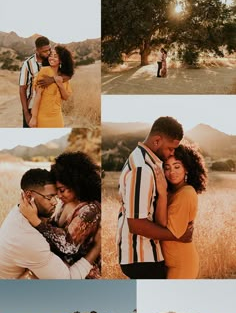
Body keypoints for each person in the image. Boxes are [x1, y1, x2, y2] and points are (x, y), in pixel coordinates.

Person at [117, 116, 193, 280]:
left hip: (147, 256)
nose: (172, 153)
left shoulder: (146, 162)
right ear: (157, 140)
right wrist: (177, 235)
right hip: (142, 257)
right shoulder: (141, 168)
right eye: (171, 148)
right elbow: (136, 224)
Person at [0, 169, 100, 279]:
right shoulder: (29, 239)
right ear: (28, 196)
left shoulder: (19, 211)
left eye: (55, 196)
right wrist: (97, 247)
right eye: (49, 197)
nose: (55, 202)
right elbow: (68, 280)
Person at [155, 143, 207, 279]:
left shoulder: (186, 193)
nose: (172, 172)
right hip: (169, 263)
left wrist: (161, 194)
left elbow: (164, 229)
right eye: (167, 168)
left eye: (177, 166)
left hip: (181, 264)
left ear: (187, 168)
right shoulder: (172, 192)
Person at [29, 45, 74, 128]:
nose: (51, 58)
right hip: (42, 117)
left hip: (57, 117)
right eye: (50, 55)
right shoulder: (44, 71)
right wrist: (34, 117)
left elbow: (66, 97)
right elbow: (37, 95)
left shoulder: (63, 76)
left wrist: (59, 83)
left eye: (55, 56)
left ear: (61, 60)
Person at [19, 36, 51, 127]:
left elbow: (67, 74)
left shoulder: (52, 59)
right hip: (31, 107)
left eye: (49, 49)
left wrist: (52, 79)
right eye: (45, 51)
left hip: (48, 107)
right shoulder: (28, 64)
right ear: (37, 50)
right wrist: (26, 114)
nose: (48, 53)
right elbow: (22, 89)